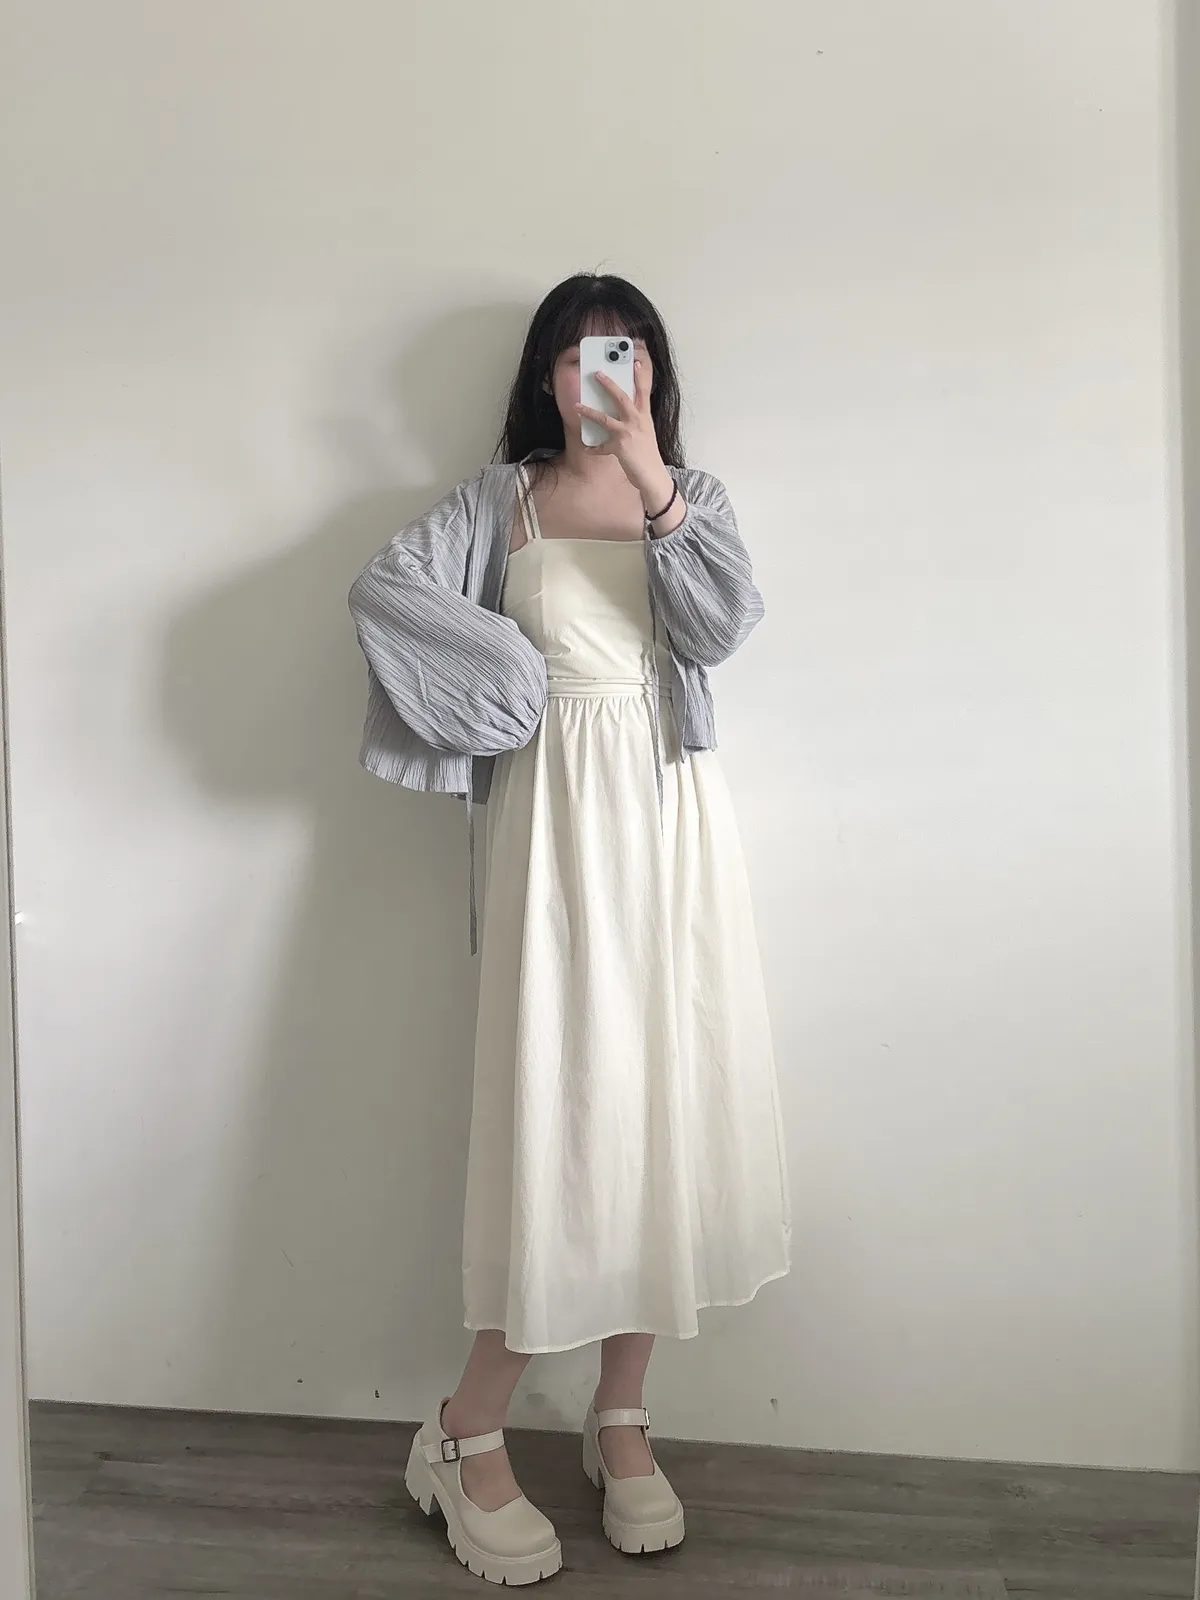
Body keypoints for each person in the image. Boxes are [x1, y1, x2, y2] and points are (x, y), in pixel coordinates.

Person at [348, 273, 791, 1586]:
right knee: (567, 1114)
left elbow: (722, 626)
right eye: (586, 355)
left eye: (632, 354)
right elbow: (386, 594)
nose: (611, 375)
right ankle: (463, 1430)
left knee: (664, 1106)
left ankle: (621, 1413)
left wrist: (653, 482)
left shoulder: (690, 499)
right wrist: (506, 685)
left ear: (654, 373)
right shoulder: (501, 503)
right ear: (547, 375)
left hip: (671, 829)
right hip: (552, 838)